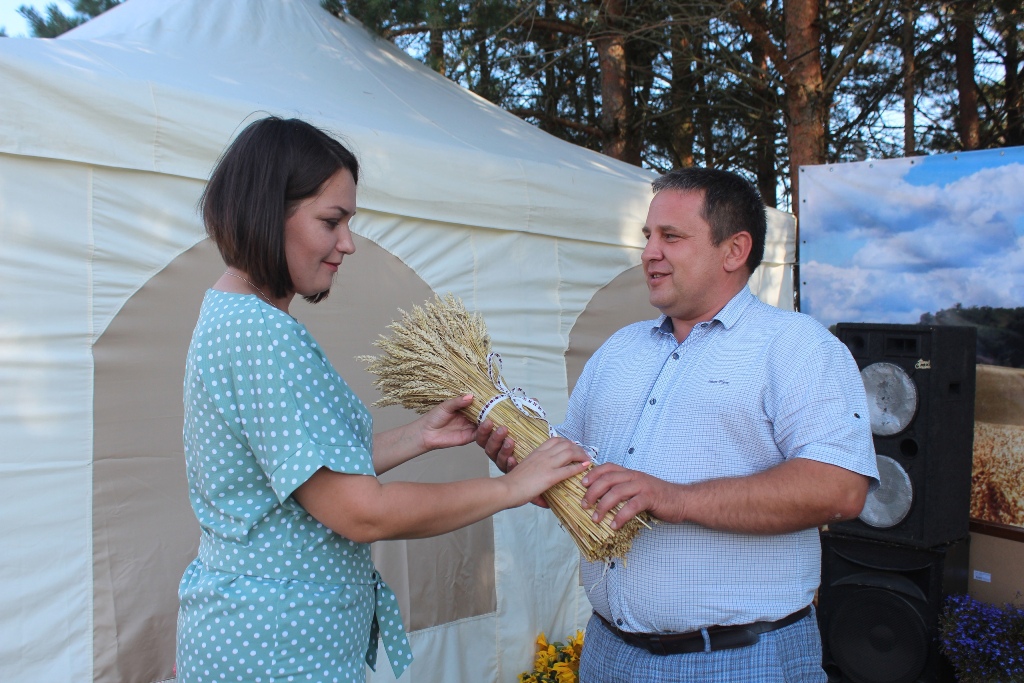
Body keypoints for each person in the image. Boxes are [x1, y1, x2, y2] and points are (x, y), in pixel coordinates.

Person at [175, 116, 591, 683]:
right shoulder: (260, 335)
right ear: (267, 211)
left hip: (267, 637)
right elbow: (359, 511)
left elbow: (301, 472)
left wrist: (417, 436)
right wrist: (513, 488)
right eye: (332, 221)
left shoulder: (236, 317)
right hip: (277, 651)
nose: (347, 243)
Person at [484, 168, 879, 682]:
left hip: (740, 661)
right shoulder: (618, 351)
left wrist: (673, 497)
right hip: (610, 653)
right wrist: (532, 468)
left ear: (734, 250)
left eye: (671, 237)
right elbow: (577, 472)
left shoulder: (798, 347)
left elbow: (840, 489)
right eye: (647, 236)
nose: (650, 252)